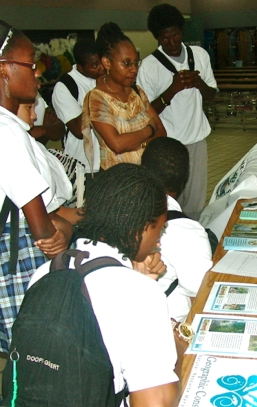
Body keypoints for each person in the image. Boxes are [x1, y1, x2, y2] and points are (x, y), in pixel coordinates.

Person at [30, 163, 181, 407]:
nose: (159, 239)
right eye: (160, 228)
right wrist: (178, 343)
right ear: (142, 227)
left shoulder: (44, 273)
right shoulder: (139, 293)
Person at [0, 16, 74, 352]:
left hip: (2, 254)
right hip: (24, 264)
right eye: (30, 65)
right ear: (1, 69)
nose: (37, 73)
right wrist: (64, 230)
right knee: (43, 356)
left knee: (23, 363)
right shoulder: (4, 134)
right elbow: (44, 233)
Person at [137, 3, 217, 220]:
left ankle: (195, 234)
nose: (172, 42)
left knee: (196, 202)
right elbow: (146, 112)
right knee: (168, 202)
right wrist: (171, 91)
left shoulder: (199, 55)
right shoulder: (149, 66)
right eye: (165, 38)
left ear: (182, 31)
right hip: (167, 144)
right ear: (157, 38)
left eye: (176, 35)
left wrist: (199, 83)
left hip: (197, 139)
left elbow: (213, 96)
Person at [141, 137, 213, 323]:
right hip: (164, 326)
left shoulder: (119, 208)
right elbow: (203, 296)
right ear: (184, 179)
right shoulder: (186, 231)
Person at [82, 22, 166, 171]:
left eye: (135, 62)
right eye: (127, 63)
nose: (134, 69)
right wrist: (149, 130)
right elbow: (117, 144)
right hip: (119, 181)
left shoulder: (137, 91)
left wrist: (138, 142)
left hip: (146, 173)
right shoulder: (96, 98)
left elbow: (161, 132)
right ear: (107, 63)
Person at [52, 37, 104, 182]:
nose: (101, 68)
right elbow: (79, 130)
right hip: (85, 167)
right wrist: (97, 92)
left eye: (102, 62)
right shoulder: (65, 86)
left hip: (112, 163)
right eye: (94, 66)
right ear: (80, 67)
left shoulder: (109, 77)